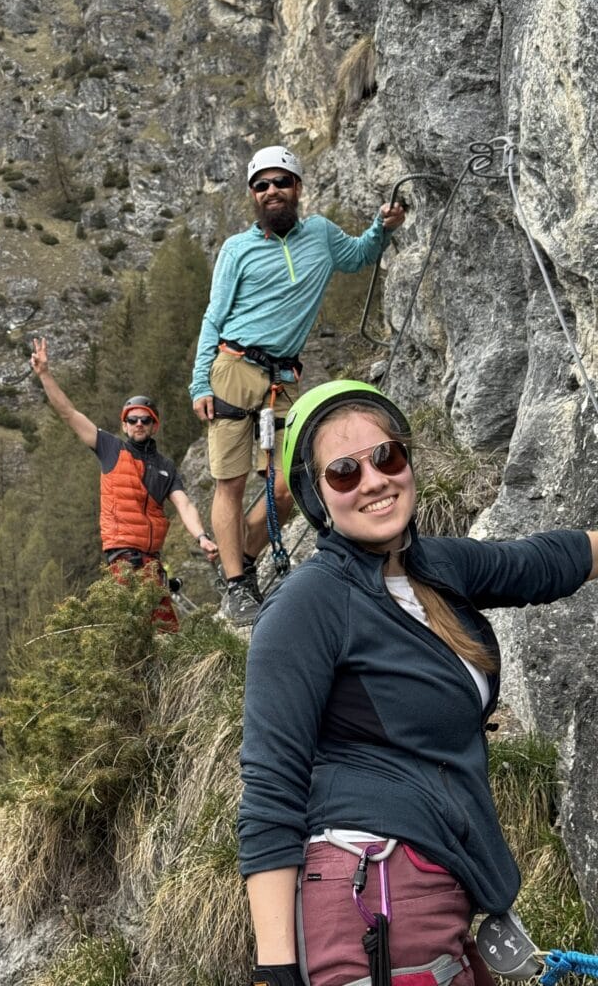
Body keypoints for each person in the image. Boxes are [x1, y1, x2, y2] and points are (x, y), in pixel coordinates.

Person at [237, 379, 598, 986]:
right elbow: (270, 789)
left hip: (422, 891)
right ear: (318, 497)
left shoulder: (434, 567)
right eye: (344, 472)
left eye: (387, 456)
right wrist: (277, 970)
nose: (375, 480)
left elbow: (541, 562)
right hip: (372, 902)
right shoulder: (309, 605)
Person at [190, 145, 405, 626]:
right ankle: (237, 587)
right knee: (230, 482)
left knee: (288, 489)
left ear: (298, 188)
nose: (272, 191)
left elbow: (357, 257)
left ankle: (239, 558)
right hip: (233, 368)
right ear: (252, 195)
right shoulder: (237, 250)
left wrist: (382, 229)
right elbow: (213, 316)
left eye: (280, 182)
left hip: (283, 379)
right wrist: (199, 382)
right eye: (261, 185)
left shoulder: (321, 235)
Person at [30, 337, 218, 632]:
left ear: (154, 425)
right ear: (124, 425)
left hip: (152, 561)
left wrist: (202, 537)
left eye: (145, 419)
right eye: (132, 420)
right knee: (138, 628)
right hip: (123, 557)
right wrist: (45, 374)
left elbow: (184, 504)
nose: (138, 424)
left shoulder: (166, 467)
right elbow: (69, 414)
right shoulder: (110, 449)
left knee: (165, 631)